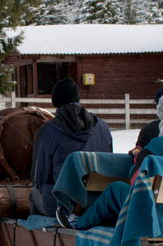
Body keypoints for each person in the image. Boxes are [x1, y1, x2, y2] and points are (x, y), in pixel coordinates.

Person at [69, 90, 163, 230]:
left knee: (115, 189)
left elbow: (136, 183)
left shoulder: (156, 146)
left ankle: (80, 222)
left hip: (158, 217)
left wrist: (138, 158)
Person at [31, 77, 112, 218]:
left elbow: (39, 178)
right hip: (98, 201)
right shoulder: (103, 128)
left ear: (55, 101)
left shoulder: (47, 132)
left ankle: (42, 234)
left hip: (63, 205)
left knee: (34, 193)